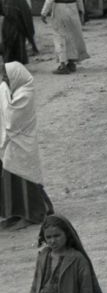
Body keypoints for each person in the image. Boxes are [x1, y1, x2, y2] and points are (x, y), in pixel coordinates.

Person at [0, 62, 53, 228]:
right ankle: (15, 213)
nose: (4, 80)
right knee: (10, 178)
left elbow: (12, 119)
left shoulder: (25, 93)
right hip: (12, 141)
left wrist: (3, 94)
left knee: (25, 178)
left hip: (22, 141)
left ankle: (32, 214)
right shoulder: (11, 90)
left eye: (7, 76)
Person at [41, 0, 88, 75]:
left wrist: (44, 12)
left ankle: (63, 64)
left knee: (59, 35)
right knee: (73, 34)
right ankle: (72, 62)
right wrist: (82, 10)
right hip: (72, 8)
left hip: (59, 9)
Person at [1, 0, 37, 64]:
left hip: (11, 31)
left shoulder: (9, 2)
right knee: (19, 50)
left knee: (10, 50)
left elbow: (9, 15)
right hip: (20, 32)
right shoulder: (21, 0)